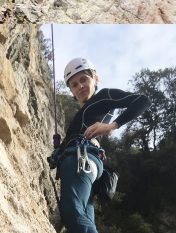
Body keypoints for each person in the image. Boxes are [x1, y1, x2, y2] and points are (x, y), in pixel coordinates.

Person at [53, 57, 151, 233]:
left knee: (71, 211)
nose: (80, 86)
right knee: (83, 216)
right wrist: (59, 150)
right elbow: (73, 139)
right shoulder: (80, 117)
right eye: (74, 84)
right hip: (83, 161)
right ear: (72, 92)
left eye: (84, 79)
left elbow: (142, 100)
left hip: (81, 159)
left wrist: (112, 125)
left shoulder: (104, 96)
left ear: (95, 79)